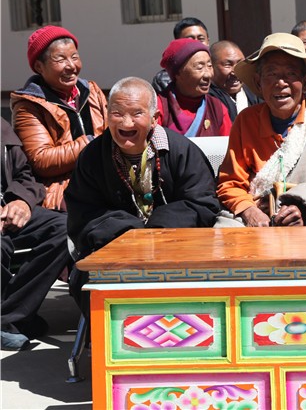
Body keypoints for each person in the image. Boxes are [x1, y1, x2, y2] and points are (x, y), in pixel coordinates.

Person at [65, 77, 219, 298]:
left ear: (155, 118)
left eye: (137, 113)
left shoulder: (182, 151)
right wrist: (131, 232)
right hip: (114, 248)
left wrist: (157, 228)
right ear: (107, 116)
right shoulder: (92, 156)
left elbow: (203, 204)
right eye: (117, 113)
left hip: (176, 247)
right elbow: (83, 212)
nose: (126, 123)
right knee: (88, 283)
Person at [217, 33, 306, 227]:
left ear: (305, 82)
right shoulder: (246, 121)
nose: (281, 83)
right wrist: (250, 211)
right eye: (271, 74)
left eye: (291, 74)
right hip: (258, 216)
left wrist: (304, 208)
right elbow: (231, 183)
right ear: (258, 82)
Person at [11, 26, 108, 211]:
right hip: (63, 191)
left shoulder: (92, 91)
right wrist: (91, 143)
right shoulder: (29, 106)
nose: (71, 66)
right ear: (39, 67)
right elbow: (41, 160)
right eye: (61, 59)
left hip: (104, 178)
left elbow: (112, 134)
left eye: (74, 57)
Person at [1, 119, 71, 351]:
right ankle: (11, 320)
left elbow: (25, 176)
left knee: (64, 228)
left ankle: (12, 313)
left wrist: (21, 201)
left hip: (7, 209)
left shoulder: (1, 128)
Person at [156, 38, 231, 137]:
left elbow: (228, 143)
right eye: (199, 67)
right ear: (178, 73)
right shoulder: (160, 107)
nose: (208, 75)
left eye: (209, 66)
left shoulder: (217, 109)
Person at [152, 17, 210, 93]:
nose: (196, 44)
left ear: (208, 41)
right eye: (190, 40)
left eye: (201, 39)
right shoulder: (165, 81)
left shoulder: (218, 71)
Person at [209, 40, 261, 121]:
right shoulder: (207, 99)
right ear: (211, 66)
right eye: (228, 65)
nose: (235, 72)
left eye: (240, 64)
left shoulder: (255, 94)